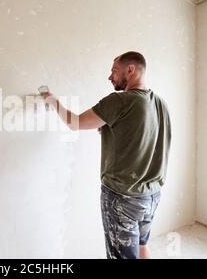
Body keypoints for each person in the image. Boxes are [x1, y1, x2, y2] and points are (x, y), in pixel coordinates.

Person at [40, 51, 171, 259]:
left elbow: (75, 123)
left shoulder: (119, 101)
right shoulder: (160, 103)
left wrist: (51, 99)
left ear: (131, 69)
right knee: (141, 246)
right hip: (151, 195)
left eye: (114, 71)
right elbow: (139, 136)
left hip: (123, 198)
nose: (110, 77)